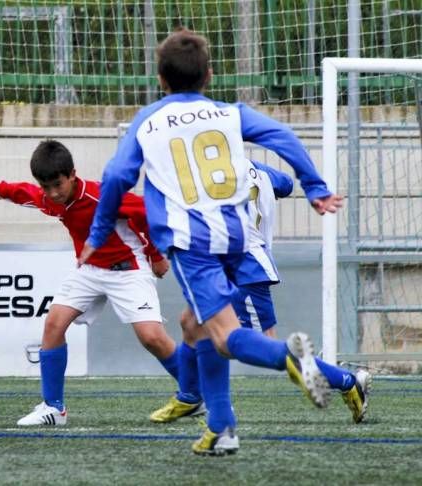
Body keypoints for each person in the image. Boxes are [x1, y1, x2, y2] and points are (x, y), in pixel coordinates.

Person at [81, 29, 345, 455]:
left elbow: (115, 177)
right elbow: (283, 137)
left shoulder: (148, 121)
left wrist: (98, 232)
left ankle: (294, 360)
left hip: (193, 242)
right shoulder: (229, 113)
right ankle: (221, 427)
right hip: (238, 234)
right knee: (195, 324)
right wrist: (313, 187)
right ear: (209, 75)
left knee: (224, 336)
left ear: (160, 79)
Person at [0, 139, 183, 426]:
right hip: (89, 270)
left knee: (152, 338)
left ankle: (196, 391)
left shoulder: (102, 196)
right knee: (54, 323)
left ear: (72, 175)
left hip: (127, 269)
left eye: (59, 184)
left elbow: (146, 214)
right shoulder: (49, 198)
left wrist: (156, 255)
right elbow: (25, 193)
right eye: (47, 187)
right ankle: (54, 409)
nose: (53, 193)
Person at [151, 161, 371, 426]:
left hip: (244, 265)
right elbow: (286, 184)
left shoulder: (205, 173)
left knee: (257, 344)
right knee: (191, 323)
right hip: (230, 265)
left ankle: (346, 381)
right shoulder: (258, 170)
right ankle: (189, 396)